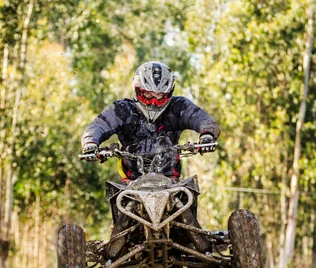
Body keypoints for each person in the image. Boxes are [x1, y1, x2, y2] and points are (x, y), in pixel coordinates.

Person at [81, 61, 220, 256]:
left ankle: (205, 254)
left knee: (187, 198)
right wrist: (90, 144)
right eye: (148, 95)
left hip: (171, 183)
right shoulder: (123, 109)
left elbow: (203, 119)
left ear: (169, 94)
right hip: (131, 185)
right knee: (120, 208)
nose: (154, 102)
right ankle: (113, 257)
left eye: (160, 97)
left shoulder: (178, 106)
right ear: (137, 90)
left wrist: (207, 135)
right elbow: (97, 127)